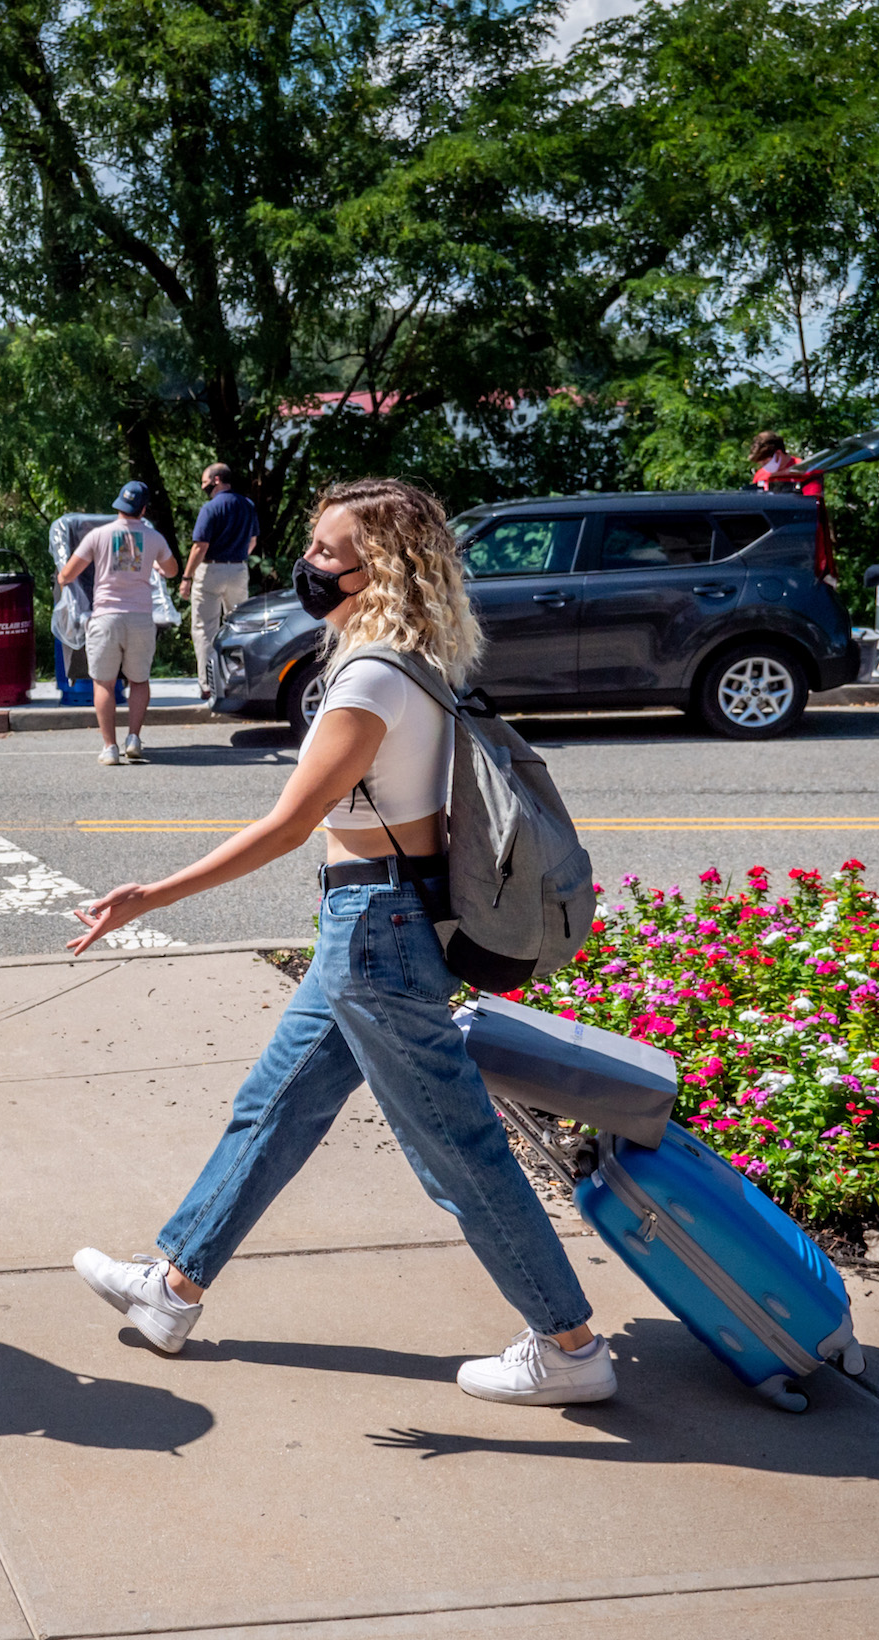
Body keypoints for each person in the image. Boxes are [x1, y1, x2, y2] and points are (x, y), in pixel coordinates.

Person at [66, 477, 613, 1408]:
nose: (309, 564)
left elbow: (289, 825)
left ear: (382, 566)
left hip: (377, 934)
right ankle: (174, 1287)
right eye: (314, 547)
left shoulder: (370, 678)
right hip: (374, 925)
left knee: (458, 1149)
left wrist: (150, 893)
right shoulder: (417, 658)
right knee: (274, 1105)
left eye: (327, 551)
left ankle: (568, 1344)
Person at [56, 481, 179, 766]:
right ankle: (134, 738)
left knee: (104, 683)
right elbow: (171, 571)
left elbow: (69, 573)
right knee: (139, 680)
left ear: (118, 505)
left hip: (105, 618)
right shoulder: (154, 538)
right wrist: (156, 566)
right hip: (140, 618)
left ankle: (109, 747)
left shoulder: (99, 535)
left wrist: (63, 580)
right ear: (144, 509)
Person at [178, 463, 260, 697]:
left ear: (215, 480)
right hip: (238, 570)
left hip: (211, 570)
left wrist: (187, 577)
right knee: (238, 626)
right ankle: (237, 677)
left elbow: (200, 546)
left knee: (205, 628)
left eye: (204, 481)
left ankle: (207, 684)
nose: (202, 485)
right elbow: (252, 541)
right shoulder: (247, 505)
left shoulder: (210, 508)